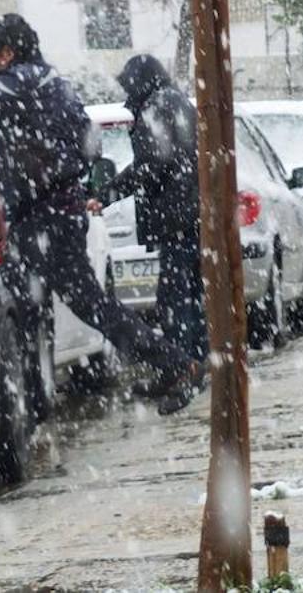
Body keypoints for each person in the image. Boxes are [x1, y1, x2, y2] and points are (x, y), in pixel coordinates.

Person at [0, 14, 206, 415]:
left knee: (82, 304)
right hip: (48, 214)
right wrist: (66, 176)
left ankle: (175, 362)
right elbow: (90, 143)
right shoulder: (50, 82)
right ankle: (36, 402)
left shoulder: (23, 82)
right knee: (31, 306)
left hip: (43, 217)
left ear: (9, 52)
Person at [91, 54, 207, 377]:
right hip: (191, 216)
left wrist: (107, 195)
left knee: (175, 299)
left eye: (128, 84)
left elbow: (151, 166)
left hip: (176, 219)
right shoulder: (177, 102)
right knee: (193, 296)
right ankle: (198, 362)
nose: (127, 91)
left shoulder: (155, 108)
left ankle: (182, 369)